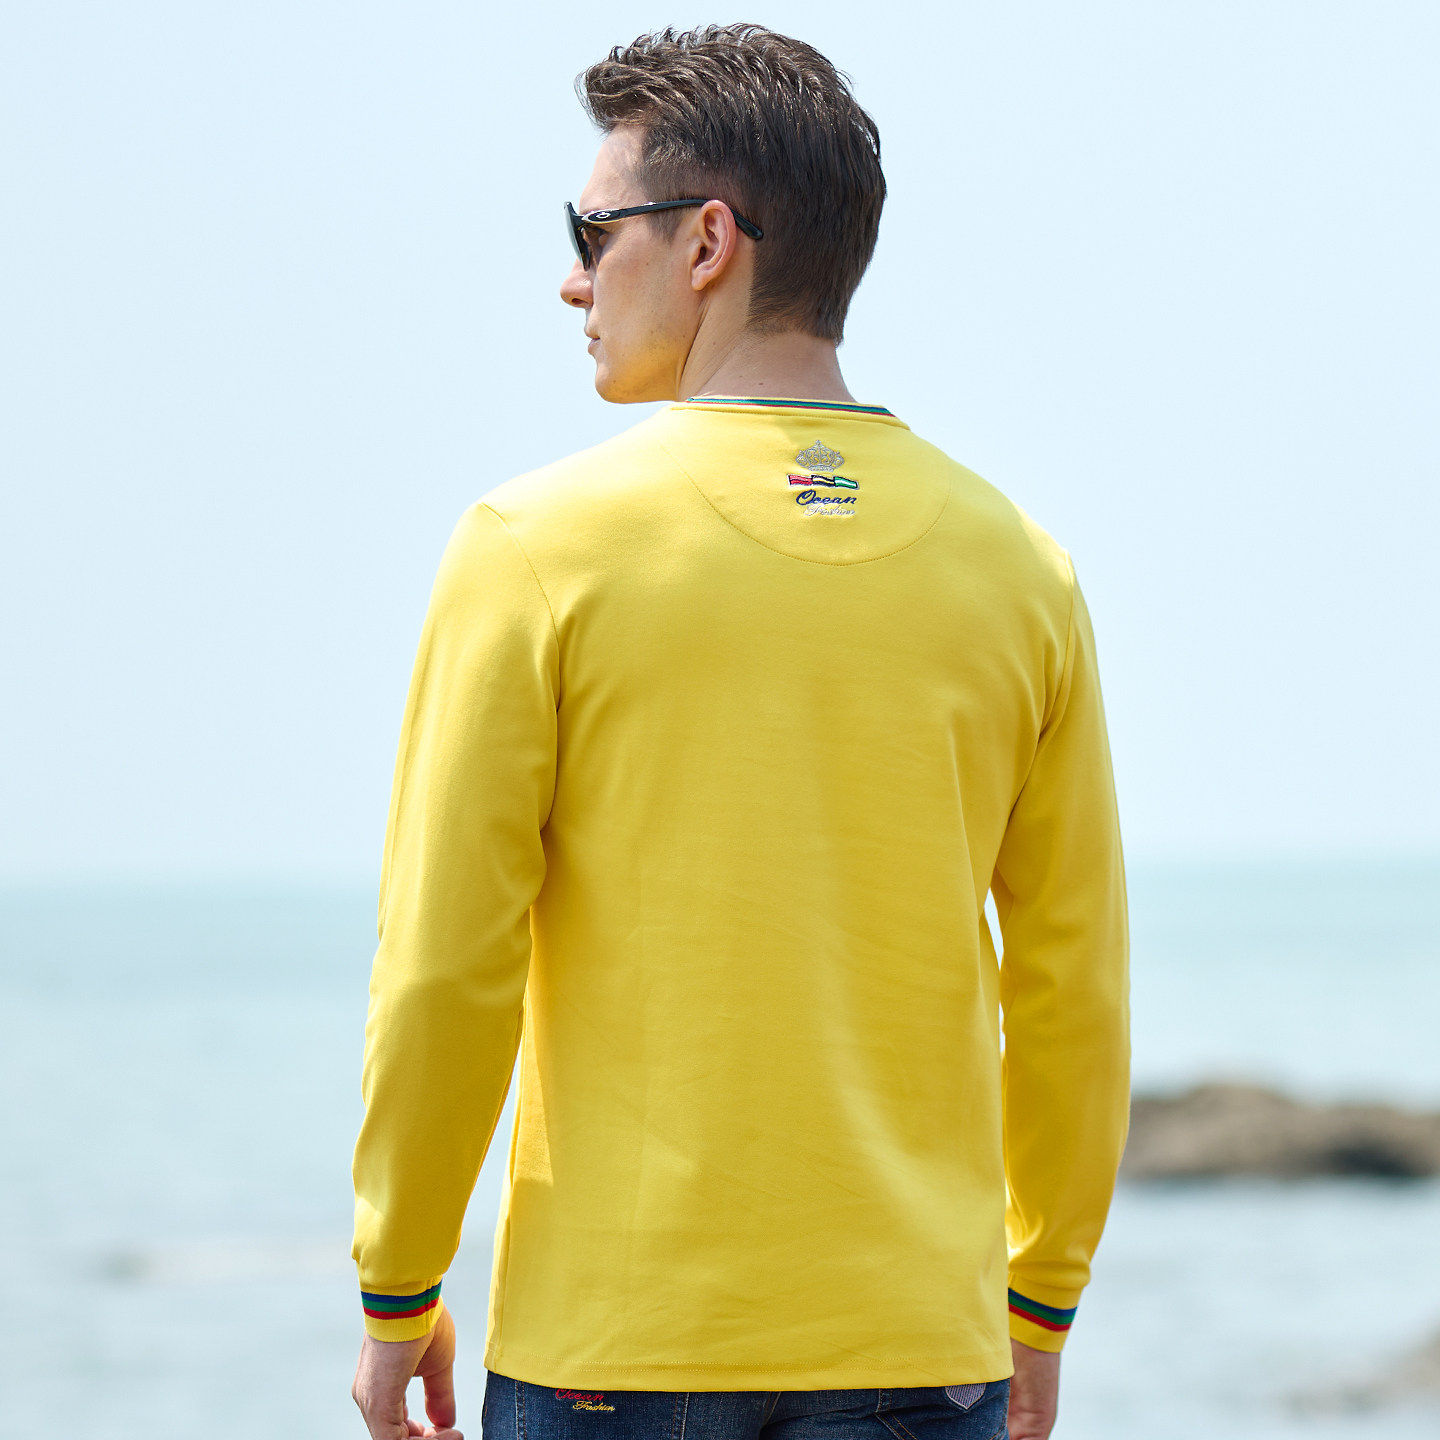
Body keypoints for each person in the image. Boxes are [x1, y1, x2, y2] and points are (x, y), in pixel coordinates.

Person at [350, 24, 1129, 1440]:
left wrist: (398, 1286)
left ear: (708, 241)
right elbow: (1073, 985)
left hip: (614, 1351)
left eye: (594, 231)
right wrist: (1041, 1301)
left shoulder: (532, 549)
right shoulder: (1022, 571)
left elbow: (444, 964)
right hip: (921, 1348)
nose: (573, 277)